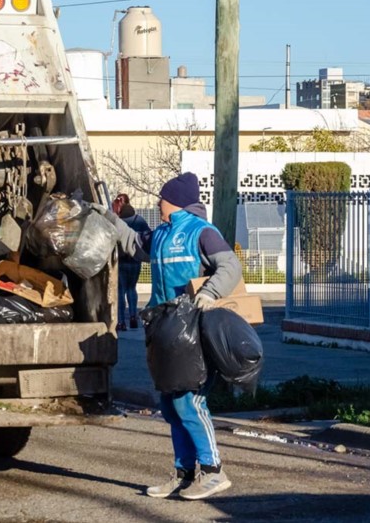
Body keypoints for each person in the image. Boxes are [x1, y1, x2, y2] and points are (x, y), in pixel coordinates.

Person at [97, 172, 242, 501]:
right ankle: (185, 473)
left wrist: (210, 292)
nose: (158, 202)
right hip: (163, 328)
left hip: (192, 329)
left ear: (175, 200)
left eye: (162, 197)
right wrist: (108, 216)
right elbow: (134, 245)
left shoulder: (202, 232)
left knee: (188, 400)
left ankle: (213, 470)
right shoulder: (162, 233)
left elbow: (230, 266)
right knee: (169, 403)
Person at [112, 193, 149, 331]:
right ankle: (133, 316)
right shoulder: (139, 220)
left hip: (120, 261)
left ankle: (121, 321)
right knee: (132, 289)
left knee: (120, 291)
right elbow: (147, 237)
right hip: (135, 260)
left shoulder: (117, 221)